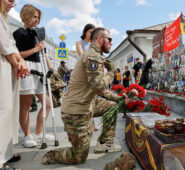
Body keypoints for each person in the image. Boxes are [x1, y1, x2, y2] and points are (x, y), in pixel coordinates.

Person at [42, 27, 130, 164]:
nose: (111, 43)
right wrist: (112, 72)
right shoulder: (92, 56)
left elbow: (98, 89)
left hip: (87, 105)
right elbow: (99, 86)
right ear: (99, 39)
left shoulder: (96, 56)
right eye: (109, 39)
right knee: (79, 157)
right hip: (75, 112)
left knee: (112, 107)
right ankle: (53, 155)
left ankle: (104, 143)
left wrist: (119, 98)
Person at [13, 4, 54, 148]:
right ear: (26, 15)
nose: (37, 20)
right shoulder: (19, 33)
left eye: (38, 17)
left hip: (39, 68)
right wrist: (35, 48)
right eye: (34, 16)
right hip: (26, 67)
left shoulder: (36, 34)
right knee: (26, 105)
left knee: (48, 104)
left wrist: (50, 69)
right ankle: (27, 135)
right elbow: (16, 55)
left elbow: (43, 53)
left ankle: (38, 132)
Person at [0, 0, 29, 169]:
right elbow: (4, 44)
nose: (12, 4)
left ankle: (6, 152)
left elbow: (10, 43)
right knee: (3, 109)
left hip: (7, 64)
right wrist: (17, 62)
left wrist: (19, 61)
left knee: (8, 109)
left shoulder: (3, 18)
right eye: (9, 0)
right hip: (3, 62)